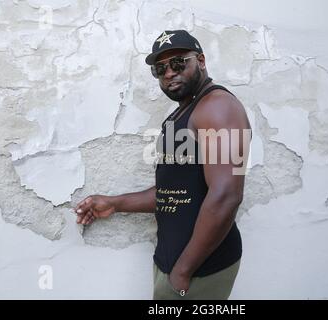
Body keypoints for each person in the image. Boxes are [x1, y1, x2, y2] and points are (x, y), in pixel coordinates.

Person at [74, 29, 251, 300]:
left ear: (201, 61)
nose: (169, 73)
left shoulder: (218, 107)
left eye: (179, 62)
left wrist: (182, 271)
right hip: (174, 264)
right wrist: (115, 203)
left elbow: (227, 196)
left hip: (199, 269)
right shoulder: (186, 112)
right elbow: (174, 192)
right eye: (160, 68)